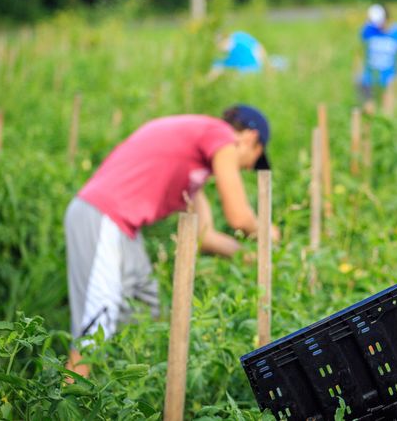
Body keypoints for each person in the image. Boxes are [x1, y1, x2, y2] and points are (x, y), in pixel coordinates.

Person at [64, 104, 278, 377]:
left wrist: (248, 257)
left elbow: (205, 236)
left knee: (146, 312)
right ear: (250, 138)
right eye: (254, 158)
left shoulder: (196, 163)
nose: (248, 168)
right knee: (95, 329)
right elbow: (238, 216)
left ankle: (122, 394)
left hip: (124, 229)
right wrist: (266, 232)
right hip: (102, 217)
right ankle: (65, 402)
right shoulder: (220, 134)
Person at [357, 4, 397, 100]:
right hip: (369, 77)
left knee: (388, 109)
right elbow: (360, 51)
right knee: (368, 107)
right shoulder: (368, 30)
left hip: (389, 78)